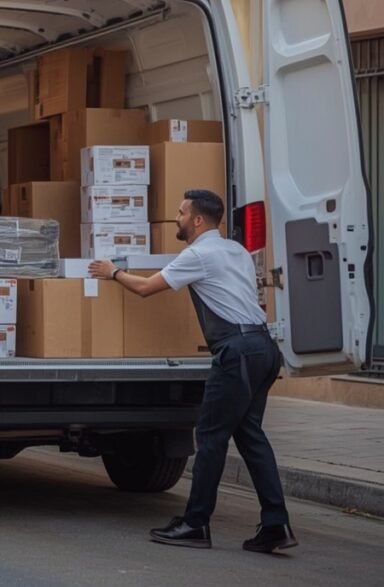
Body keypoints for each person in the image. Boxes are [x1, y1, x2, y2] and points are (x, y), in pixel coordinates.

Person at [89, 189, 297, 554]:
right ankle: (276, 524)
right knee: (251, 437)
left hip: (236, 352)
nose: (177, 217)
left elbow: (146, 288)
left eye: (181, 212)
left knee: (212, 437)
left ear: (198, 220)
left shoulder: (198, 254)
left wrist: (114, 271)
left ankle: (195, 523)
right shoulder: (237, 251)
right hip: (264, 348)